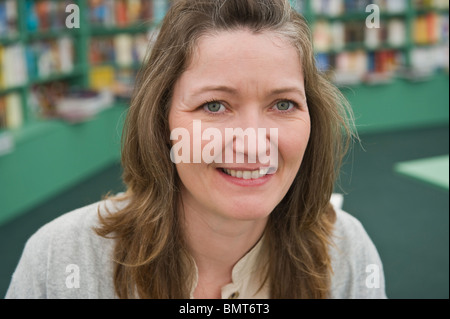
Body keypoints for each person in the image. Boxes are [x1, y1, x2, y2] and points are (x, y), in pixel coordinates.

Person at [6, 0, 386, 299]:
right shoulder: (59, 260)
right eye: (215, 106)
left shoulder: (346, 252)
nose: (253, 143)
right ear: (162, 122)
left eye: (283, 104)